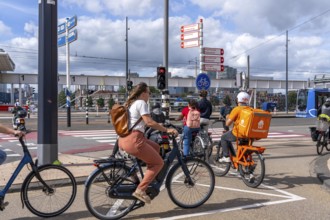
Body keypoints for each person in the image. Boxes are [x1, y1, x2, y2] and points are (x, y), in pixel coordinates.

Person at [118, 82, 177, 204]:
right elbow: (149, 122)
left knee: (156, 147)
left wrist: (159, 125)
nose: (149, 95)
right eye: (149, 92)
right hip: (135, 140)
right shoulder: (141, 103)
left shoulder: (132, 103)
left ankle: (149, 176)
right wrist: (166, 129)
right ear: (143, 93)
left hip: (125, 139)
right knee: (159, 163)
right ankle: (140, 190)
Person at [218, 91, 251, 163]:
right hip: (248, 135)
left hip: (238, 133)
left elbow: (227, 123)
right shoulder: (250, 109)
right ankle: (243, 168)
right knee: (242, 150)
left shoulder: (236, 109)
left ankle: (226, 156)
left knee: (224, 137)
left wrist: (227, 117)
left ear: (238, 100)